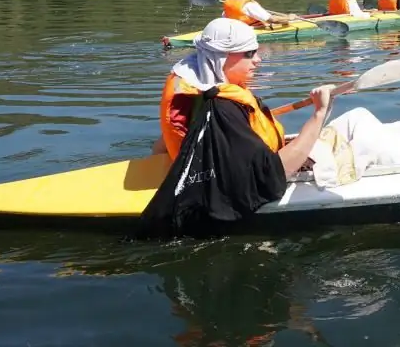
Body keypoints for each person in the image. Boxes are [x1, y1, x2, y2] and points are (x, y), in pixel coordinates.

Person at [141, 18, 335, 238]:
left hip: (214, 163)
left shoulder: (195, 84)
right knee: (358, 124)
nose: (258, 60)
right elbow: (272, 175)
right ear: (221, 57)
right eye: (249, 54)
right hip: (230, 187)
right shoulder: (222, 108)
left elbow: (165, 142)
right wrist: (319, 115)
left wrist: (159, 161)